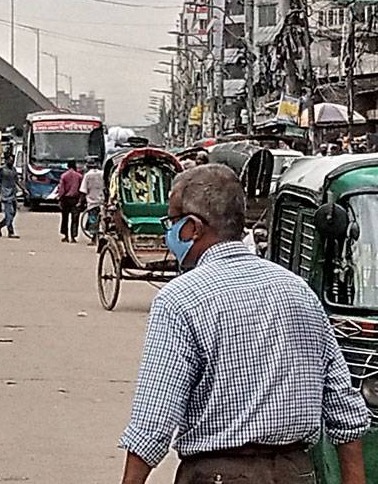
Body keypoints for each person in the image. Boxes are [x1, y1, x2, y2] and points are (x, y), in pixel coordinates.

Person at [118, 164, 368, 484]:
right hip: (296, 473)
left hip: (217, 475)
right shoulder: (298, 291)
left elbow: (153, 422)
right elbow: (345, 410)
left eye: (172, 222)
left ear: (193, 228)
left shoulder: (180, 299)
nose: (168, 234)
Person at [78, 156, 104, 246]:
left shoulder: (87, 176)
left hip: (92, 202)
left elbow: (83, 191)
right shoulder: (103, 174)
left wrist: (80, 202)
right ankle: (100, 237)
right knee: (102, 220)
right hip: (102, 202)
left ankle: (93, 239)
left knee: (93, 220)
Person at [0, 152, 19, 239]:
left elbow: (17, 181)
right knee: (9, 213)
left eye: (13, 160)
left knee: (13, 213)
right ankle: (10, 232)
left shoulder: (13, 170)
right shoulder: (1, 170)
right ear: (6, 160)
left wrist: (24, 189)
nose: (11, 162)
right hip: (5, 194)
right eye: (10, 160)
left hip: (13, 194)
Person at [58, 160, 83, 243]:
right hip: (75, 199)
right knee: (75, 219)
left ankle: (66, 236)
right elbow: (81, 189)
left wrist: (60, 199)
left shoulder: (64, 176)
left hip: (66, 199)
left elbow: (61, 189)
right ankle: (73, 236)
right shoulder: (79, 176)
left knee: (65, 218)